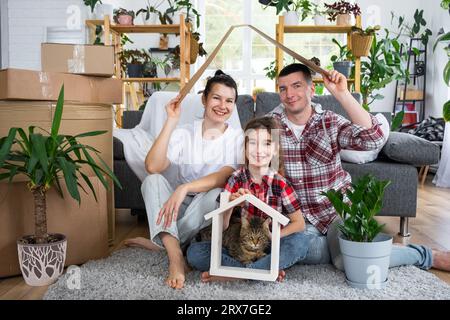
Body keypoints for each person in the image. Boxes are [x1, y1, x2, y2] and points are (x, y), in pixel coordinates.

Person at [267, 63, 450, 272]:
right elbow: (267, 178)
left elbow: (374, 139)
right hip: (299, 221)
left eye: (296, 85)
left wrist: (343, 94)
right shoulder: (271, 126)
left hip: (337, 212)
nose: (289, 94)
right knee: (308, 249)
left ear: (311, 89)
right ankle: (366, 247)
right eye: (283, 88)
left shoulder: (329, 121)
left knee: (346, 262)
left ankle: (426, 255)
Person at [124, 70, 245, 289]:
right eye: (217, 98)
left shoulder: (237, 137)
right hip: (180, 205)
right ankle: (176, 255)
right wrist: (171, 121)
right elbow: (152, 166)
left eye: (229, 101)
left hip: (207, 207)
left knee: (219, 195)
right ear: (204, 99)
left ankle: (165, 243)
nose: (222, 105)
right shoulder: (184, 132)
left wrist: (185, 187)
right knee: (151, 181)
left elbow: (223, 177)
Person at [187, 117, 312, 282]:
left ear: (275, 150)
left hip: (271, 245)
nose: (259, 150)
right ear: (245, 148)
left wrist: (275, 236)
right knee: (195, 252)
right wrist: (231, 205)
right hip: (242, 246)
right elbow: (222, 227)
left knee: (301, 243)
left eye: (267, 144)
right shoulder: (236, 179)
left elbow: (299, 224)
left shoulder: (280, 183)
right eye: (253, 143)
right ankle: (262, 271)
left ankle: (234, 275)